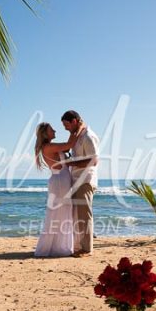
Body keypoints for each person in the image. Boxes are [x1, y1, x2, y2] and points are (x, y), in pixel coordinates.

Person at [33, 122, 79, 257]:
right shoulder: (49, 146)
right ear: (46, 134)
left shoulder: (52, 146)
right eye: (51, 130)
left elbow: (67, 148)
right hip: (59, 181)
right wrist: (77, 127)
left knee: (62, 213)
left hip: (61, 180)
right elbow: (70, 144)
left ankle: (58, 247)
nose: (55, 131)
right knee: (58, 213)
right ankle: (54, 247)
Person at [61, 110, 99, 257]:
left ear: (75, 121)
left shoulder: (88, 136)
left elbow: (94, 161)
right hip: (77, 179)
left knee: (85, 215)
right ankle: (79, 246)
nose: (65, 128)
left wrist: (71, 163)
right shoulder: (78, 135)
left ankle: (87, 249)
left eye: (67, 125)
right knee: (78, 215)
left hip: (85, 180)